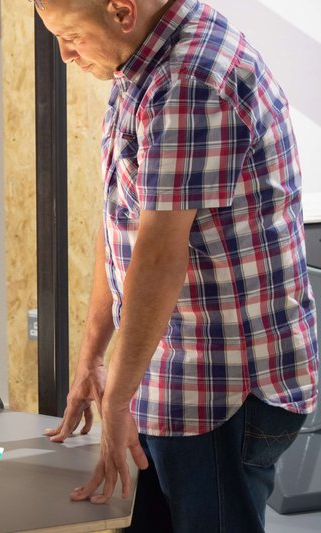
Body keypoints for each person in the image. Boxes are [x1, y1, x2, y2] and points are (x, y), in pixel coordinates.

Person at [35, 1, 318, 531]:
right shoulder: (140, 64)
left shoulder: (190, 82)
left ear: (121, 12)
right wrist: (93, 358)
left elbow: (161, 255)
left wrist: (117, 400)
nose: (65, 53)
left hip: (221, 387)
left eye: (71, 35)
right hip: (178, 371)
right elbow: (123, 220)